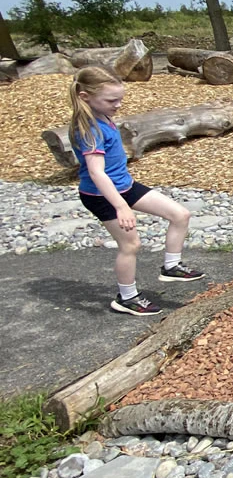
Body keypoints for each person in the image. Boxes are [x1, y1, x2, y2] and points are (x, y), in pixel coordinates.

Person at [69, 66, 204, 316]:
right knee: (130, 245)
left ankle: (171, 267)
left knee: (180, 215)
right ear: (85, 97)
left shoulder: (103, 117)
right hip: (101, 196)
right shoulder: (89, 130)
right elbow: (97, 173)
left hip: (125, 186)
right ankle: (127, 297)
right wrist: (121, 206)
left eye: (120, 98)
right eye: (111, 100)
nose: (118, 105)